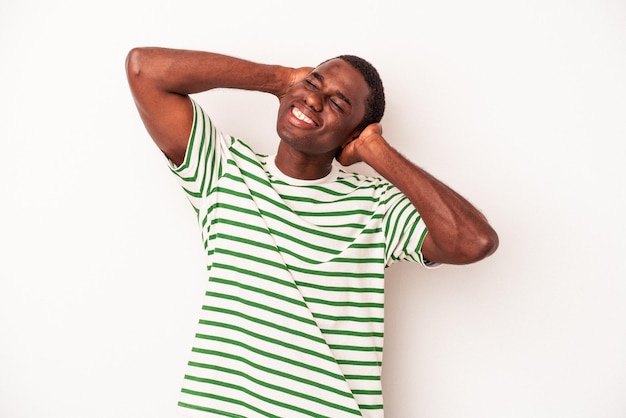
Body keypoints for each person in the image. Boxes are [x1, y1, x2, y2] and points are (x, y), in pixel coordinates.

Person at [125, 46, 498, 418]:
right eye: (312, 83)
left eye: (338, 103)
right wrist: (280, 79)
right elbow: (144, 69)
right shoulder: (224, 170)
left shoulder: (376, 206)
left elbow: (473, 241)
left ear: (354, 131)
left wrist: (375, 150)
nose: (314, 100)